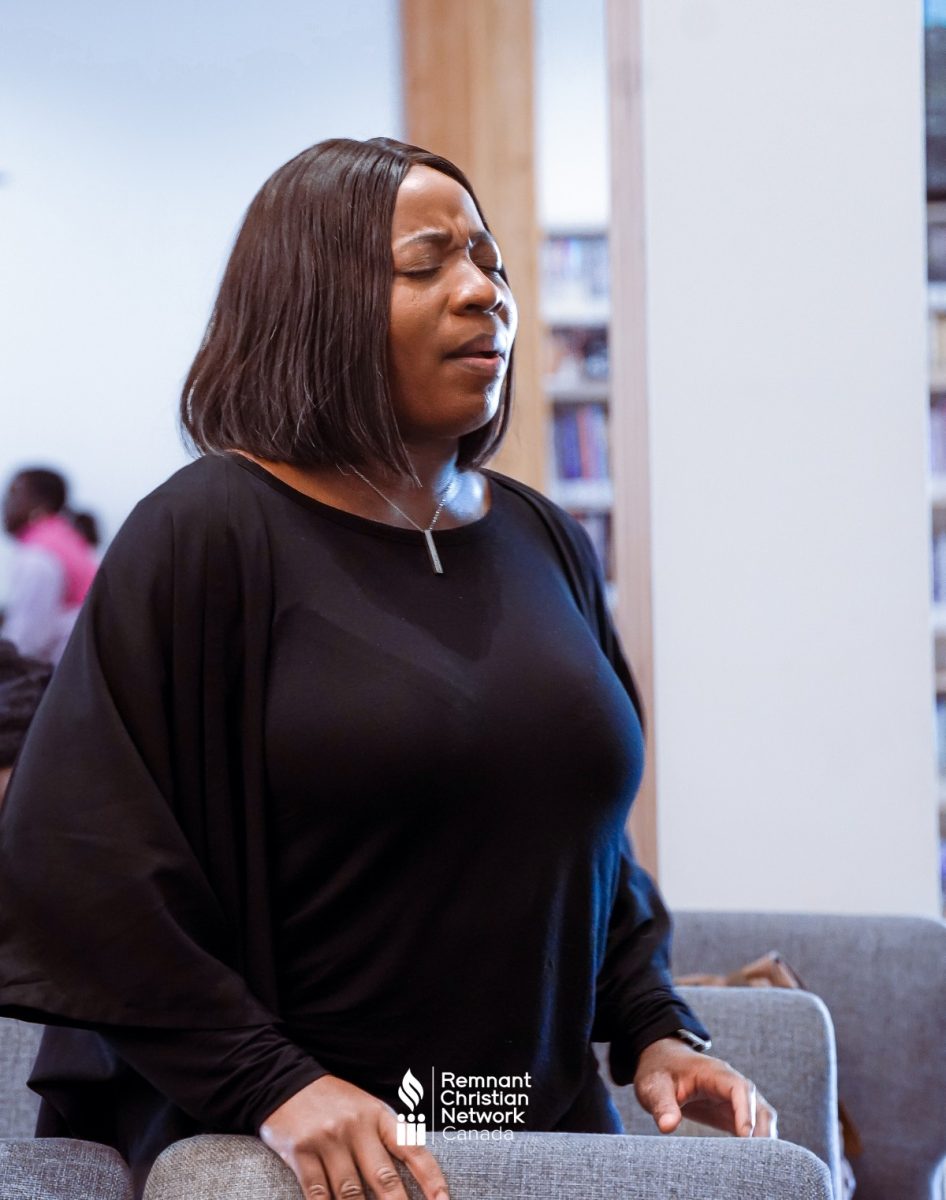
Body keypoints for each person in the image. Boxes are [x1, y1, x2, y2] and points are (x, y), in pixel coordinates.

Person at [0, 137, 775, 1200]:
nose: (485, 293)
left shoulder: (543, 536)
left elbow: (583, 843)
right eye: (428, 264)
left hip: (534, 1129)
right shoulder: (207, 531)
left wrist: (654, 1025)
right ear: (313, 302)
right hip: (289, 1149)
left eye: (490, 263)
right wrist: (275, 1084)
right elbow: (80, 862)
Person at [1, 468, 98, 664]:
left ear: (38, 503)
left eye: (13, 494)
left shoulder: (39, 555)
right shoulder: (64, 538)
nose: (5, 504)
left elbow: (25, 642)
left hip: (70, 670)